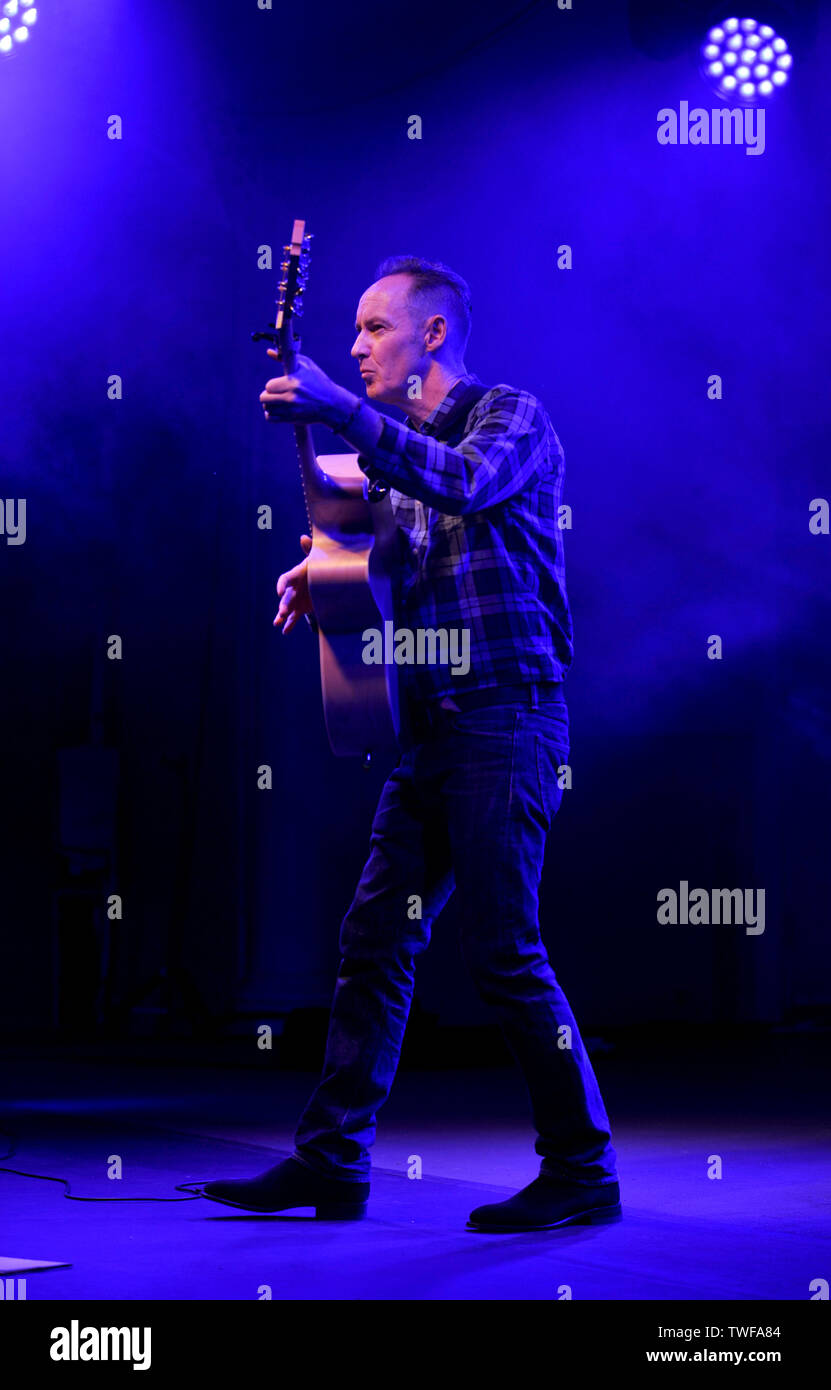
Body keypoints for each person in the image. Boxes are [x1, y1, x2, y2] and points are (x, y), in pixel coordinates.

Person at [199, 256, 621, 1231]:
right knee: (373, 938)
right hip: (433, 729)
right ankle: (332, 1161)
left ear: (432, 335)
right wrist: (326, 570)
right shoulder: (396, 460)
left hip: (510, 716)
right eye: (350, 331)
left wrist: (340, 411)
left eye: (374, 327)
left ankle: (583, 1167)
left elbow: (463, 485)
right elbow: (382, 543)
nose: (355, 345)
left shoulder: (509, 416)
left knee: (506, 949)